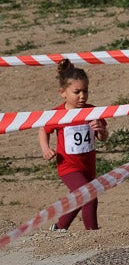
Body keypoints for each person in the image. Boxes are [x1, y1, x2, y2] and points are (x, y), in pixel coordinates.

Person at [38, 60, 109, 231]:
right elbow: (43, 130)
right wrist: (45, 149)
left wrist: (100, 130)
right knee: (89, 195)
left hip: (88, 167)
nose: (82, 96)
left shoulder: (92, 111)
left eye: (85, 91)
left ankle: (59, 227)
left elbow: (104, 137)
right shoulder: (57, 114)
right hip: (67, 167)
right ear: (62, 92)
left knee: (78, 197)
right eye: (77, 92)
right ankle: (92, 233)